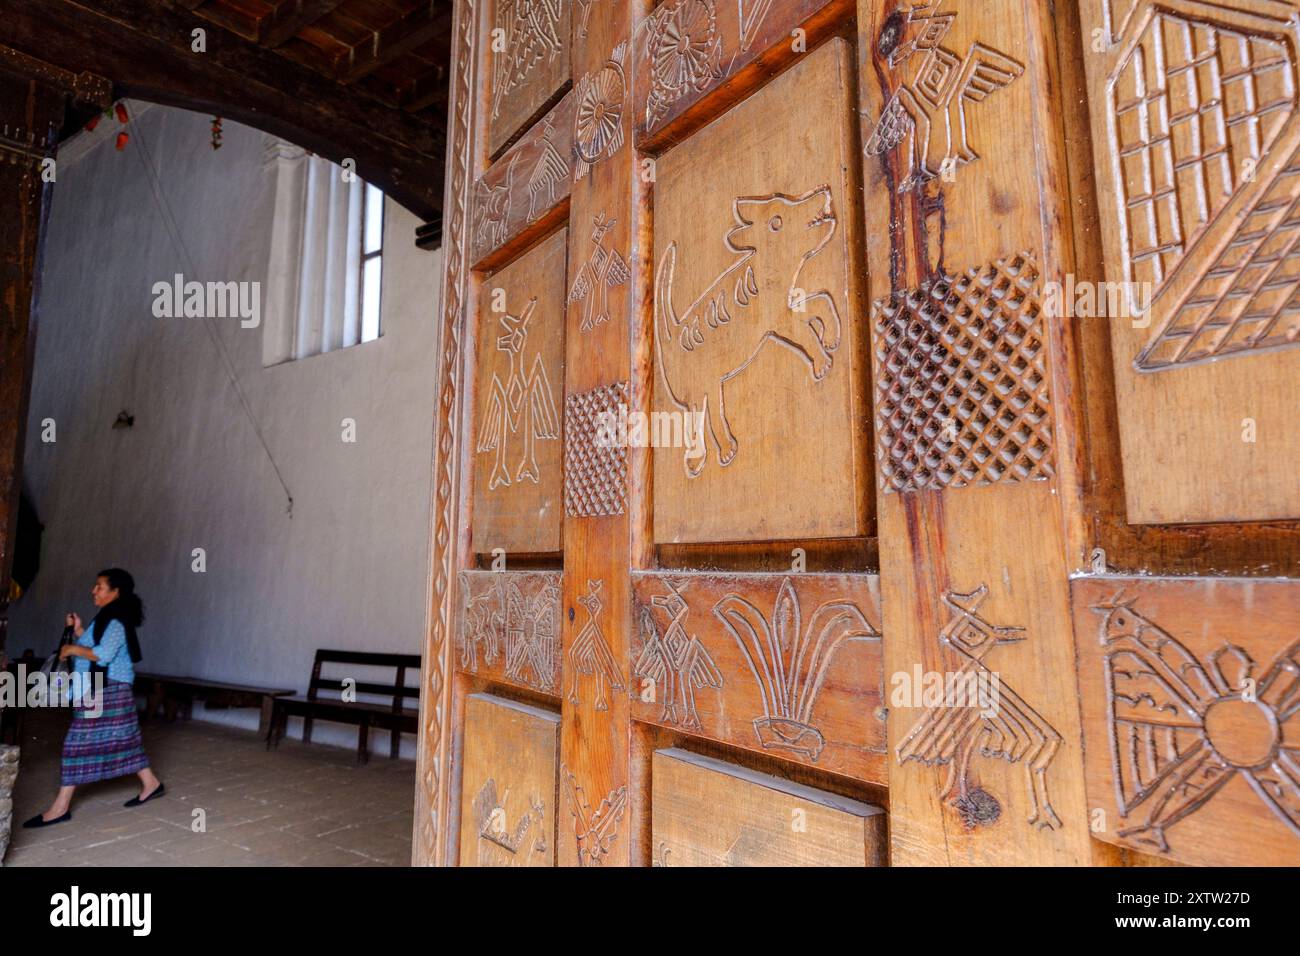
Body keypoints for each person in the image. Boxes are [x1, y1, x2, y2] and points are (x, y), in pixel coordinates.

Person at [23, 568, 164, 828]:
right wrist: (78, 631)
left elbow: (103, 654)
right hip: (103, 686)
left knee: (76, 743)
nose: (93, 590)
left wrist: (72, 648)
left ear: (115, 592)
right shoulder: (107, 618)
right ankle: (151, 783)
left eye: (99, 586)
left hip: (108, 688)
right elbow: (96, 646)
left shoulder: (117, 621)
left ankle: (61, 807)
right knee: (124, 738)